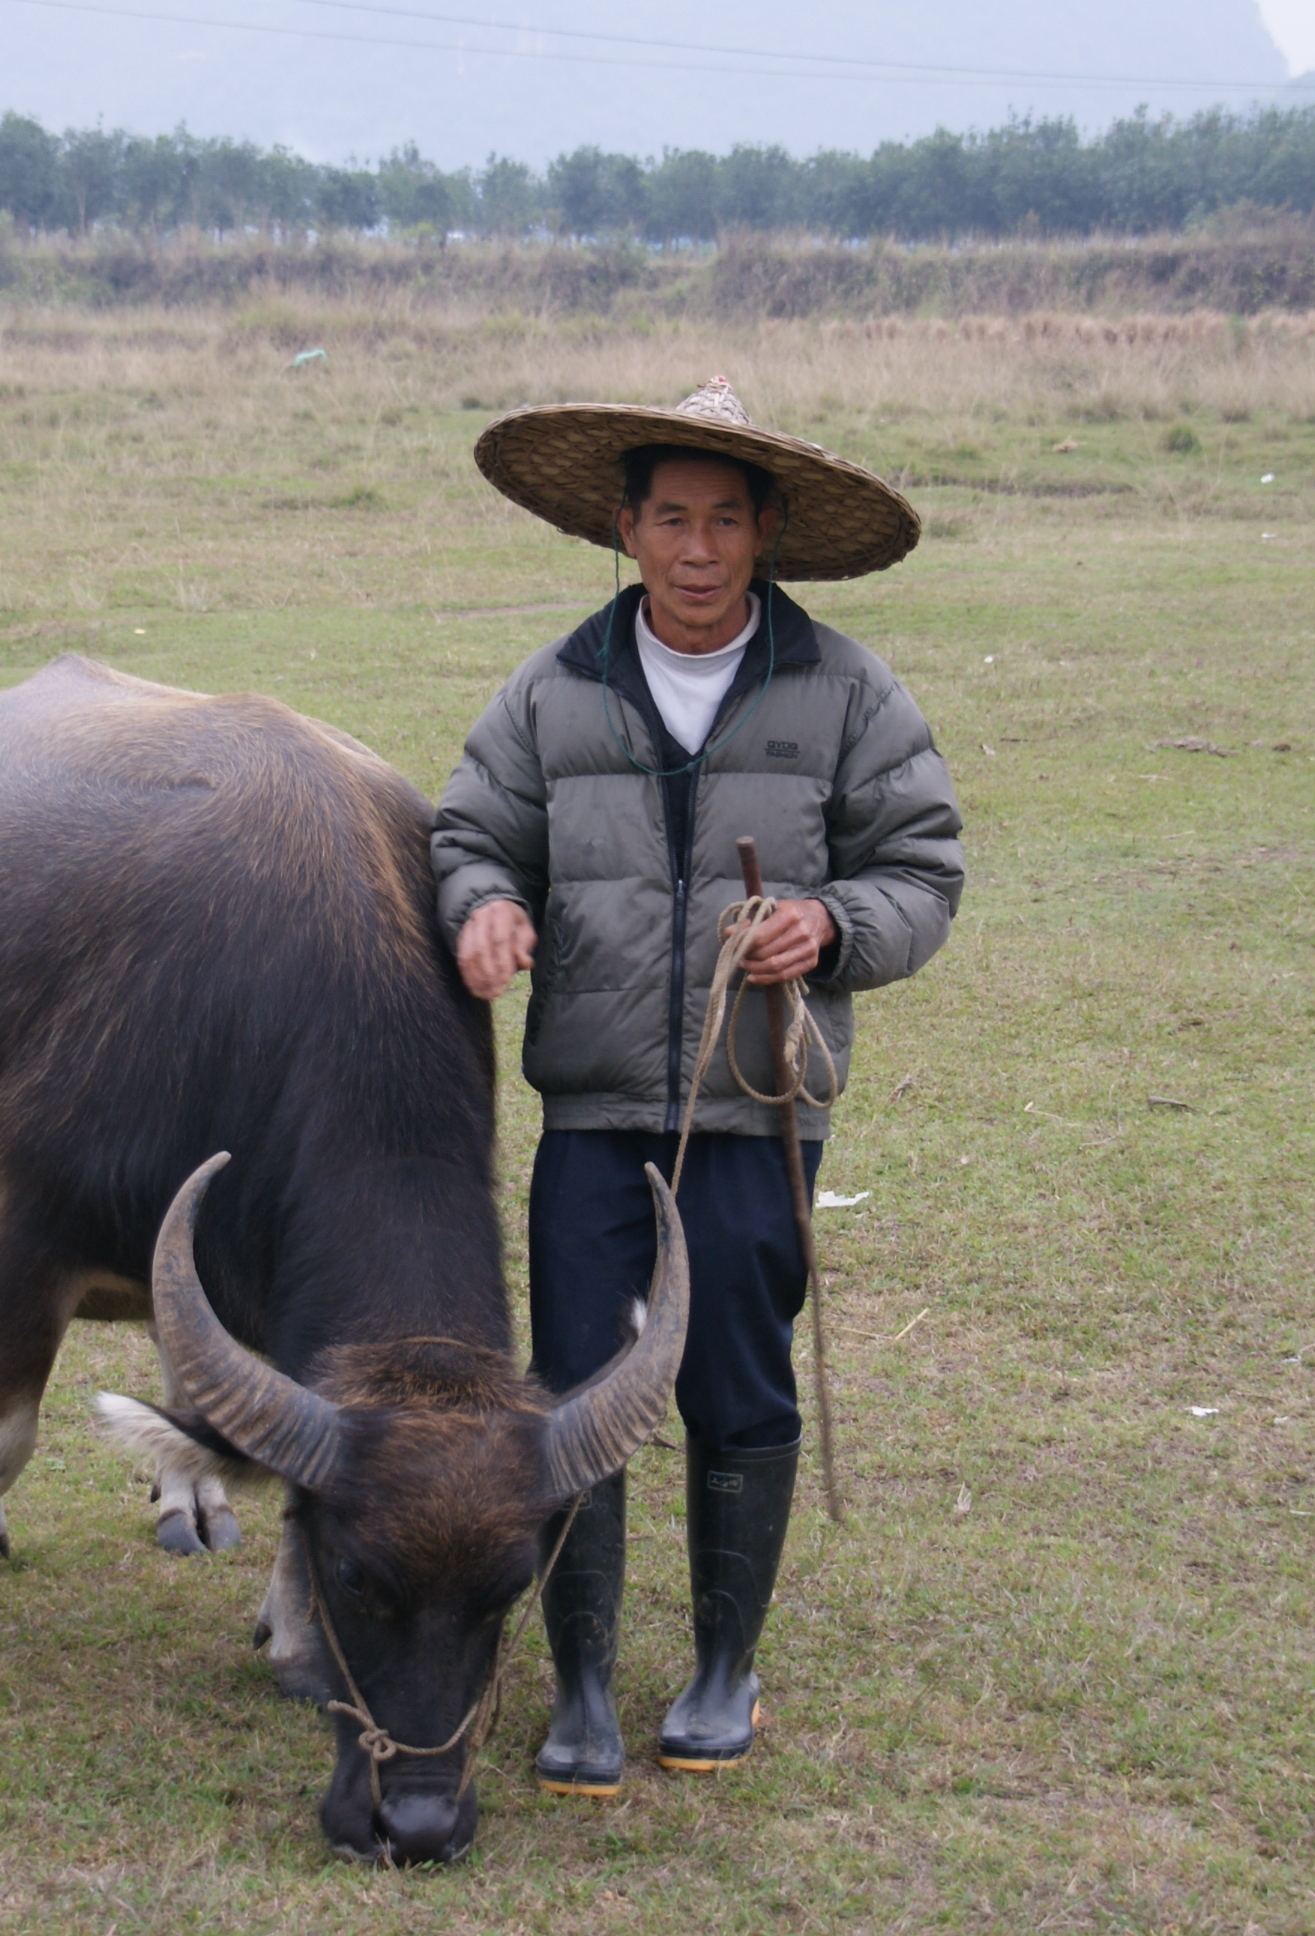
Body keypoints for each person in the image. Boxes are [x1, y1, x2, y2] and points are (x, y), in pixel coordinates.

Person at [432, 377, 964, 1791]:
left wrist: (831, 924)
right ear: (625, 528)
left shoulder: (847, 691)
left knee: (736, 1371)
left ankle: (726, 1669)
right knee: (576, 1386)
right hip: (593, 1109)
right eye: (671, 518)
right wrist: (487, 907)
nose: (698, 549)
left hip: (756, 1104)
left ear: (767, 530)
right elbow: (469, 835)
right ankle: (583, 1688)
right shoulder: (551, 690)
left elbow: (923, 868)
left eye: (726, 519)